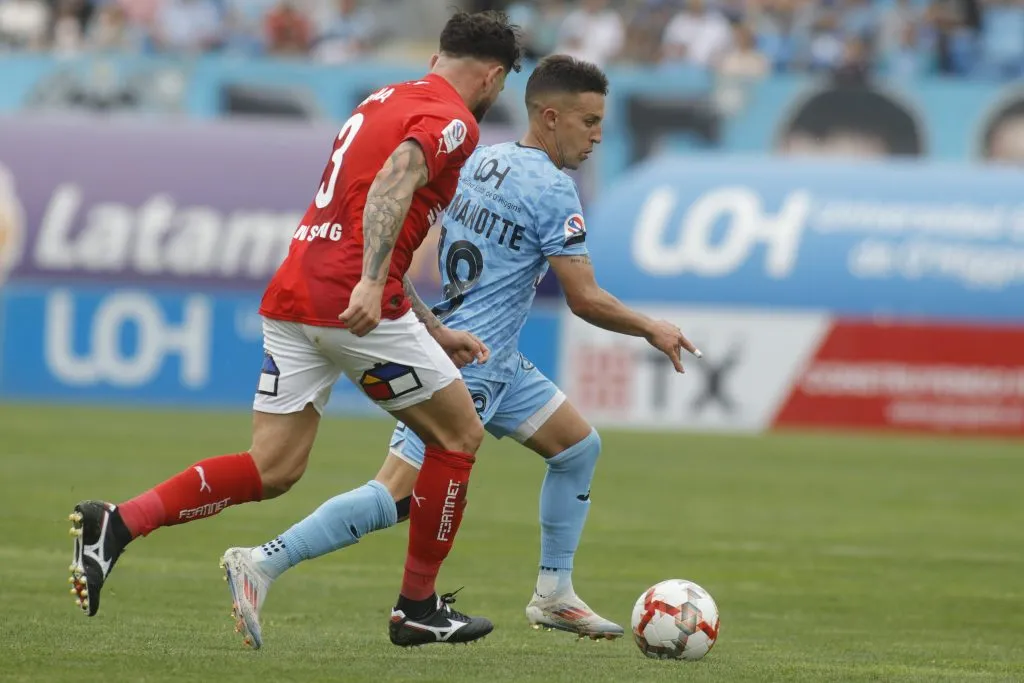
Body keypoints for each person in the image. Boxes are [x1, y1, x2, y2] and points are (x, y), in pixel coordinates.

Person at [66, 10, 523, 650]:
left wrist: (428, 325)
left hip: (295, 292)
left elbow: (369, 214)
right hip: (351, 301)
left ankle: (120, 522)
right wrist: (370, 284)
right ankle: (416, 607)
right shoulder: (455, 119)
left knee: (273, 467)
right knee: (459, 435)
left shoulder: (381, 99)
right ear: (493, 75)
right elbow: (394, 183)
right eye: (501, 86)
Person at [218, 54, 701, 648]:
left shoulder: (481, 158)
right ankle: (262, 562)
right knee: (393, 495)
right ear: (550, 118)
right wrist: (652, 327)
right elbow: (583, 297)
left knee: (578, 448)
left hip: (485, 352)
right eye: (589, 122)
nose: (599, 135)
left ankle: (554, 593)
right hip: (467, 362)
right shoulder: (554, 188)